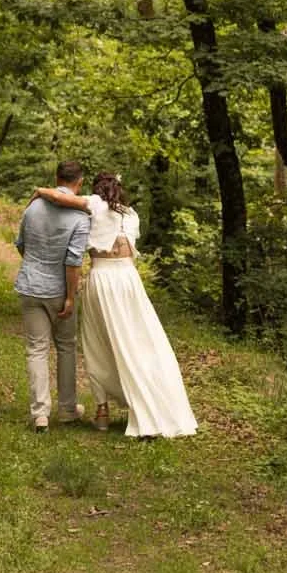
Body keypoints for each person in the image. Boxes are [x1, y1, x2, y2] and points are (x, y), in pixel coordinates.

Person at [31, 171, 197, 439]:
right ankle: (146, 403)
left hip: (102, 279)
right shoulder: (131, 215)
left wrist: (40, 191)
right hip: (129, 281)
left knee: (97, 344)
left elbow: (60, 198)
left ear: (98, 190)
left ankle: (102, 412)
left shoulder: (94, 205)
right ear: (120, 190)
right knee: (139, 341)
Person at [13, 160, 92, 432]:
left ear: (56, 177)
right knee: (66, 346)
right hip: (59, 290)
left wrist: (35, 267)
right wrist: (70, 297)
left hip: (30, 286)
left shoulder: (33, 206)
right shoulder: (82, 218)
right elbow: (73, 262)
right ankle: (68, 409)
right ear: (79, 182)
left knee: (36, 348)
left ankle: (40, 414)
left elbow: (21, 244)